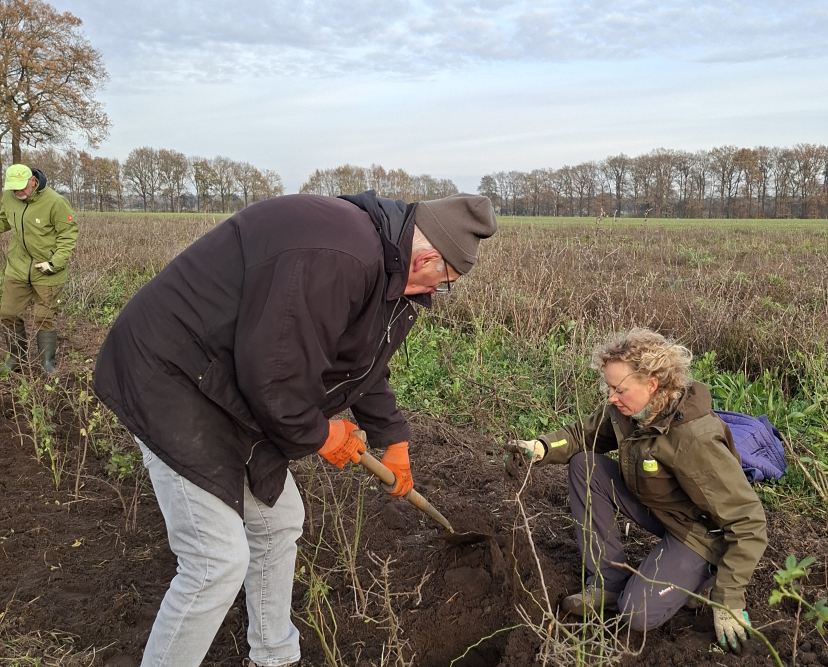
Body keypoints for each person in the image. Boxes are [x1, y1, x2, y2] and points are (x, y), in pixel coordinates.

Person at [94, 190, 497, 667]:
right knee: (215, 563)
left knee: (279, 520)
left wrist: (393, 437)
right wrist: (322, 434)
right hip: (172, 378)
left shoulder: (391, 273)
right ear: (428, 256)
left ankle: (274, 656)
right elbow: (271, 374)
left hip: (227, 388)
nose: (436, 293)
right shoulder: (340, 255)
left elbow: (363, 363)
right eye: (443, 281)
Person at [507, 328, 767, 653]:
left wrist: (728, 599)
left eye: (619, 389)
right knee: (586, 466)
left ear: (652, 384)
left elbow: (749, 522)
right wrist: (541, 447)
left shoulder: (694, 440)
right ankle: (608, 584)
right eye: (609, 387)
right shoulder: (631, 411)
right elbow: (582, 435)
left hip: (697, 534)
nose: (611, 397)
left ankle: (707, 576)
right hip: (660, 507)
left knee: (637, 614)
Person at [0, 164, 77, 374]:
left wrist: (54, 263)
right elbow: (4, 220)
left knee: (44, 316)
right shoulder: (9, 197)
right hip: (17, 266)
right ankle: (15, 359)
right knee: (8, 313)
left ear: (32, 181)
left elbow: (68, 234)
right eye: (13, 188)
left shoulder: (55, 202)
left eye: (21, 188)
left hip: (47, 269)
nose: (17, 193)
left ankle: (47, 364)